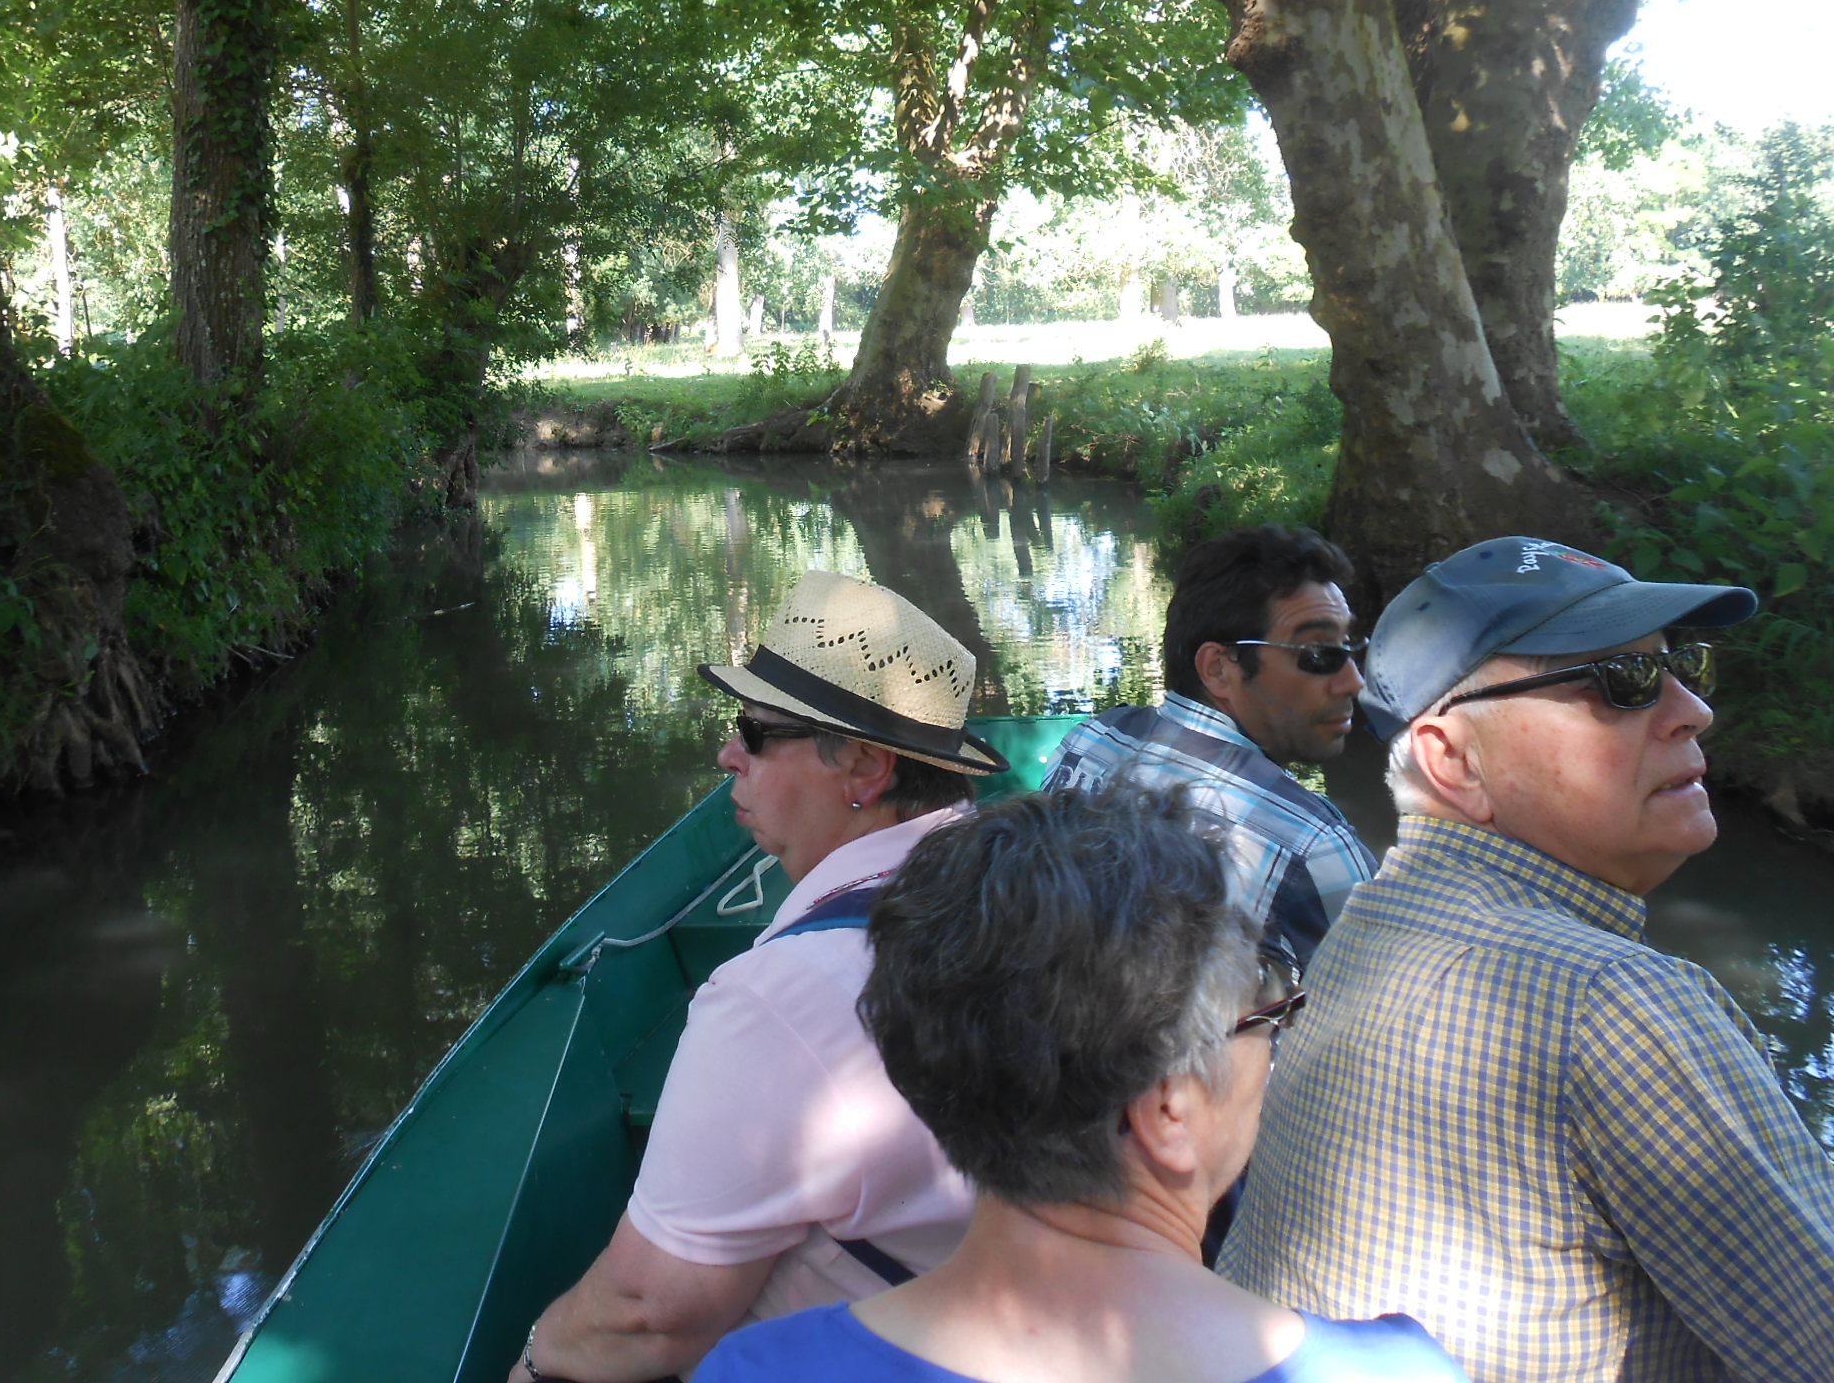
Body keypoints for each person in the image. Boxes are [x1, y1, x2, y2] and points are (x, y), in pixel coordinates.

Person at [1220, 535, 1834, 1382]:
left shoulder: (1366, 923)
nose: (1694, 708)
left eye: (1683, 665)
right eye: (1623, 682)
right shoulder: (1618, 1005)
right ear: (1451, 761)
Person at [694, 783, 1471, 1383]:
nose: (1274, 1038)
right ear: (1168, 1104)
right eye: (1267, 1009)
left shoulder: (755, 1370)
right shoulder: (1396, 1373)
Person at [516, 570, 1010, 1383]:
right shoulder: (1026, 896)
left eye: (754, 729)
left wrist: (533, 1360)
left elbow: (645, 1317)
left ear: (862, 767)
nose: (727, 754)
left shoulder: (782, 994)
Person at [1040, 525, 1374, 971]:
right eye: (1318, 653)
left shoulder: (1092, 740)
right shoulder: (1314, 846)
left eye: (1350, 648)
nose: (1354, 680)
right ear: (1219, 668)